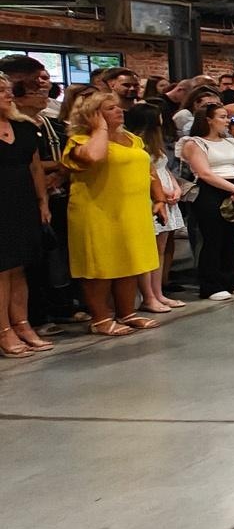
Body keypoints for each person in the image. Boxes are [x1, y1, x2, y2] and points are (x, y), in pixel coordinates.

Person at [63, 90, 163, 332]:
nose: (119, 110)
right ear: (92, 115)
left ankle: (127, 312)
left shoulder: (132, 139)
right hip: (98, 210)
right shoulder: (81, 140)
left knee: (129, 261)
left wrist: (159, 198)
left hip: (132, 210)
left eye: (118, 107)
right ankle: (100, 319)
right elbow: (94, 157)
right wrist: (100, 129)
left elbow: (148, 169)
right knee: (100, 266)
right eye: (109, 108)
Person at [0, 75, 51, 356]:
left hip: (22, 200)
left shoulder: (24, 127)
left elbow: (35, 169)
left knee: (19, 267)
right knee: (1, 270)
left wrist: (42, 202)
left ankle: (22, 323)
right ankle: (3, 329)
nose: (7, 94)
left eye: (8, 89)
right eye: (0, 90)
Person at [180, 102, 234, 302]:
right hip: (210, 191)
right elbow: (204, 173)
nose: (226, 121)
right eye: (222, 117)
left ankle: (233, 279)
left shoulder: (230, 143)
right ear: (208, 120)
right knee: (213, 239)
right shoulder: (194, 143)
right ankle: (211, 283)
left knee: (231, 238)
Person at [126, 104, 185, 314]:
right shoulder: (136, 144)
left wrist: (176, 187)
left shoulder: (155, 142)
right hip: (151, 197)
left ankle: (158, 292)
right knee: (148, 250)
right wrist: (158, 194)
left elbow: (163, 168)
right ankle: (148, 296)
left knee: (160, 250)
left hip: (168, 195)